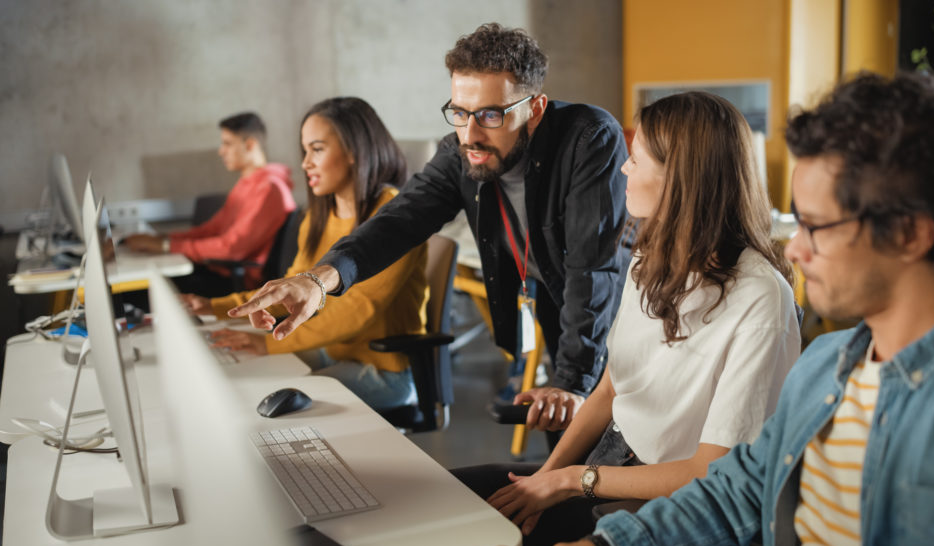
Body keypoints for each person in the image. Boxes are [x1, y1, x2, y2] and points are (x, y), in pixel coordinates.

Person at [446, 72, 934, 546]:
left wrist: (572, 491)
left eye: (815, 227)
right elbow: (731, 495)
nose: (794, 249)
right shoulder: (828, 368)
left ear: (909, 233)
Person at [228, 23, 631, 431]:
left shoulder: (589, 139)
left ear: (535, 110)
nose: (470, 135)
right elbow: (397, 222)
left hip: (626, 309)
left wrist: (572, 380)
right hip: (556, 301)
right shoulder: (461, 154)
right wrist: (318, 281)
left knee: (619, 434)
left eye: (491, 115)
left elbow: (591, 269)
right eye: (459, 112)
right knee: (561, 429)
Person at [452, 92, 802, 546]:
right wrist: (543, 477)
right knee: (446, 499)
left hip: (667, 503)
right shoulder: (651, 258)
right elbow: (610, 390)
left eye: (635, 159)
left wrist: (568, 482)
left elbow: (711, 473)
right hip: (608, 461)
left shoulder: (759, 298)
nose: (623, 169)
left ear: (678, 177)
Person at [185, 98, 428, 411]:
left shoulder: (394, 216)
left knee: (262, 401)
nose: (305, 163)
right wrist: (216, 307)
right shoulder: (320, 216)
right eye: (305, 151)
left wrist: (268, 342)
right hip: (332, 350)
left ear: (354, 151)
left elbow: (355, 312)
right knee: (240, 376)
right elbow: (294, 284)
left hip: (385, 371)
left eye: (317, 149)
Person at [122, 112, 295, 297]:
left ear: (250, 144)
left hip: (233, 283)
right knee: (137, 282)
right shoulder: (247, 183)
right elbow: (211, 229)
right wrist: (162, 238)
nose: (221, 151)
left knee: (134, 291)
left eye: (227, 143)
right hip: (216, 269)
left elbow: (232, 248)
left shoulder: (269, 189)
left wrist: (167, 246)